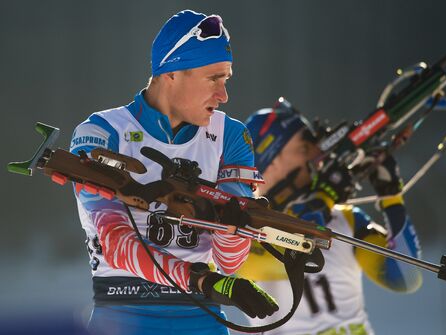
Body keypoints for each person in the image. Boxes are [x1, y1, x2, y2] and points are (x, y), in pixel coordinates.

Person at [69, 10, 278, 335]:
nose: (224, 95)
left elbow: (229, 262)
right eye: (214, 79)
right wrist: (202, 280)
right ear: (172, 73)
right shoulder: (102, 131)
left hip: (203, 319)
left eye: (227, 79)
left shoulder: (232, 136)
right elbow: (116, 243)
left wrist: (232, 226)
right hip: (125, 316)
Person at [237, 98, 423, 335]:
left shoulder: (345, 219)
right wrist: (323, 197)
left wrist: (391, 197)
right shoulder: (243, 230)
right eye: (304, 149)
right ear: (269, 165)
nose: (318, 158)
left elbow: (405, 278)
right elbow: (298, 250)